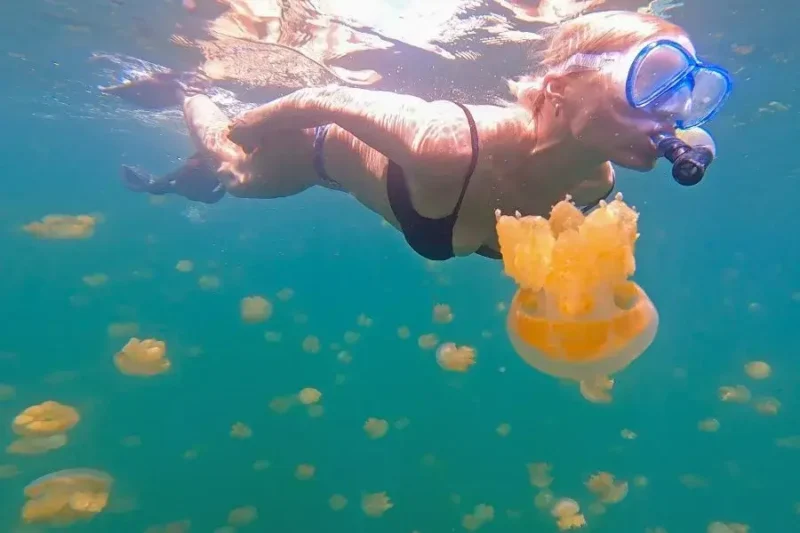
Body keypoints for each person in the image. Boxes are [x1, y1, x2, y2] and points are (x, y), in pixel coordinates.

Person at [107, 10, 731, 261]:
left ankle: (192, 170)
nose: (674, 114)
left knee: (226, 179)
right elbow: (324, 96)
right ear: (562, 85)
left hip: (368, 180)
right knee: (236, 178)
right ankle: (190, 92)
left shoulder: (595, 187)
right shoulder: (451, 141)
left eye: (689, 93)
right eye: (656, 79)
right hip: (316, 148)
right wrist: (245, 127)